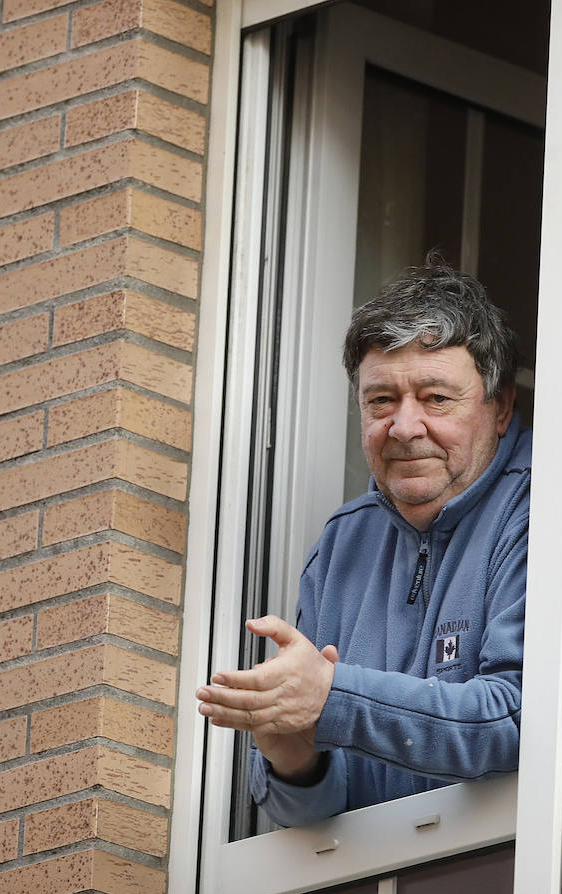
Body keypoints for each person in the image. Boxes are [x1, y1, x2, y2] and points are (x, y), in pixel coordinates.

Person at [196, 257, 530, 827]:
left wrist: (332, 698)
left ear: (499, 409)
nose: (403, 427)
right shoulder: (342, 545)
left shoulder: (548, 511)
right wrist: (294, 754)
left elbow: (517, 724)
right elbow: (303, 815)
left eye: (435, 399)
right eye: (381, 401)